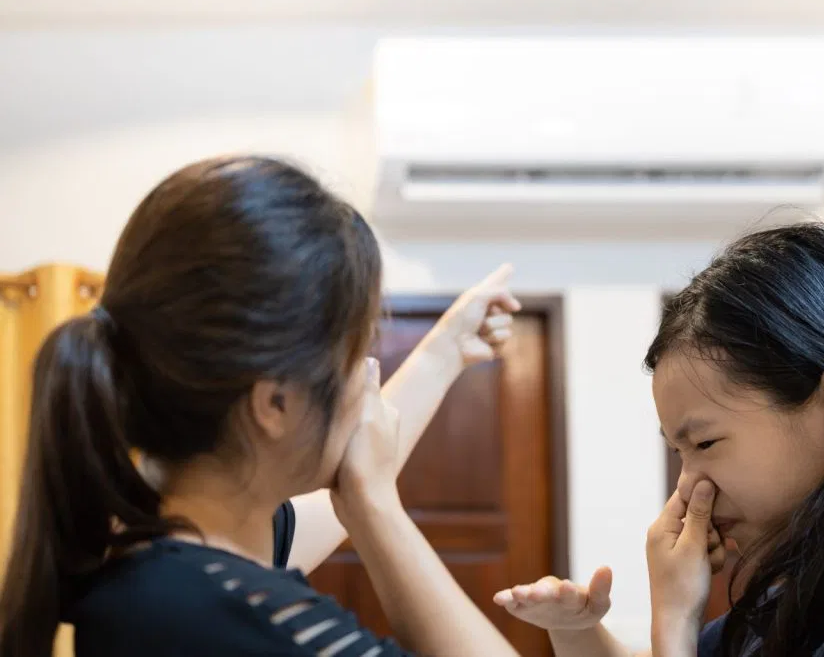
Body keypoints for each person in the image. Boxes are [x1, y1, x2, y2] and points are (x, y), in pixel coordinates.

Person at [0, 155, 524, 657]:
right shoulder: (230, 615)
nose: (367, 391)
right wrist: (379, 507)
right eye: (357, 361)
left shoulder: (152, 567)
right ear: (274, 403)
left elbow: (320, 516)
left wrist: (443, 354)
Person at [494, 223, 824, 657]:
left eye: (703, 444)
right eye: (678, 452)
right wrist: (576, 629)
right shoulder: (796, 598)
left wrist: (674, 621)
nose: (689, 483)